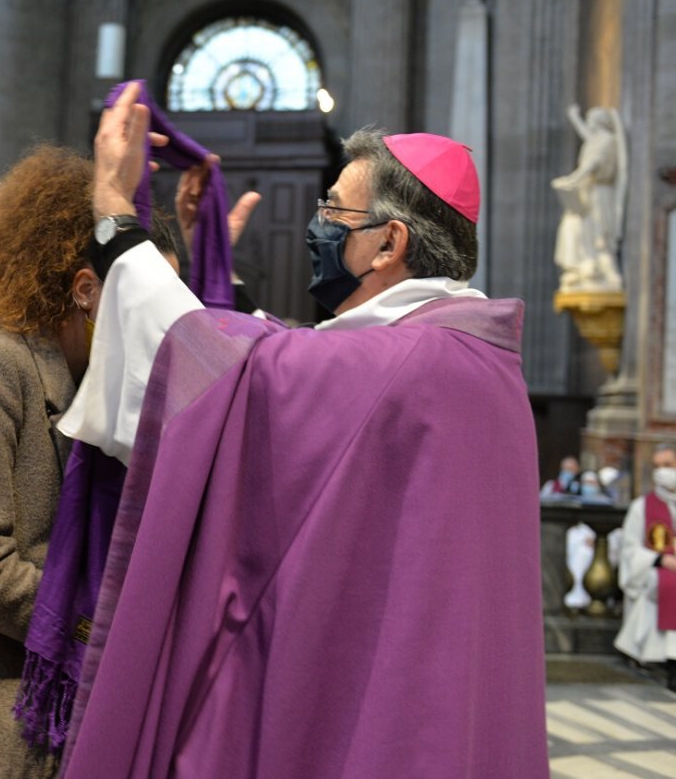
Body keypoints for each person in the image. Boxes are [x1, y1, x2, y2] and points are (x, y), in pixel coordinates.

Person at [57, 82, 548, 777]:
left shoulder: (409, 362)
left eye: (333, 209)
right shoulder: (470, 356)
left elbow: (229, 384)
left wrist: (114, 213)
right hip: (436, 711)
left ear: (388, 243)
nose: (319, 224)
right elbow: (288, 363)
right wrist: (213, 269)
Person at [0, 145, 179, 779]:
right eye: (145, 301)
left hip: (74, 705)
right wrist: (99, 629)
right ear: (86, 290)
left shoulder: (107, 390)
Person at [616, 444, 676, 690]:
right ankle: (665, 662)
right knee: (663, 582)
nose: (662, 472)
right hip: (658, 568)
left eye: (668, 466)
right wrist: (660, 560)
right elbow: (629, 550)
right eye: (657, 467)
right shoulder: (641, 508)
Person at [552, 104, 627, 292]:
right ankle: (588, 265)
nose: (589, 123)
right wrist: (575, 118)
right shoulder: (597, 140)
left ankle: (606, 271)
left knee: (599, 234)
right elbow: (587, 136)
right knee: (580, 227)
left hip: (601, 194)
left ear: (599, 121)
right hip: (590, 192)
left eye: (591, 120)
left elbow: (592, 164)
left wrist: (572, 179)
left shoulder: (607, 141)